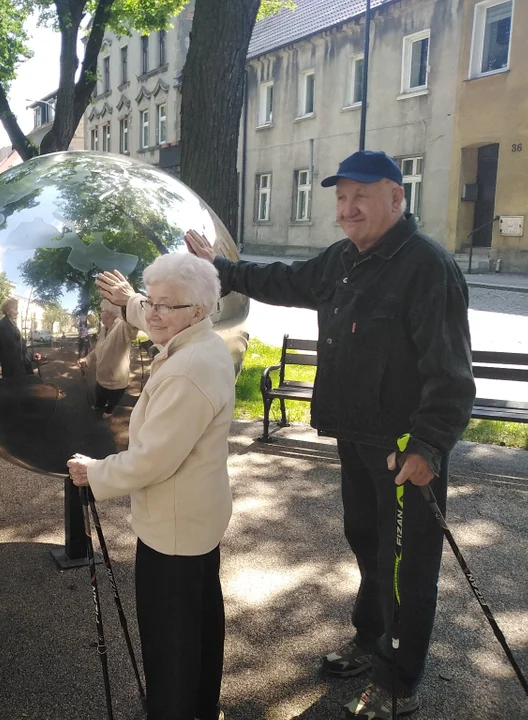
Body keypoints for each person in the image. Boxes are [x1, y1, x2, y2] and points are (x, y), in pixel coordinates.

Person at [179, 150, 476, 719]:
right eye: (341, 197)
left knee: (409, 563)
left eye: (362, 195)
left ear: (397, 198)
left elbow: (450, 370)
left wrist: (429, 446)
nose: (348, 207)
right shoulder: (344, 259)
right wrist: (220, 268)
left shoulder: (425, 266)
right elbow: (285, 279)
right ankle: (370, 640)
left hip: (403, 449)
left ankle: (399, 677)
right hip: (355, 434)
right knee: (368, 541)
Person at [69, 252, 235, 720]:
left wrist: (94, 472)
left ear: (197, 311)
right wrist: (130, 302)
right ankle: (201, 705)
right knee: (200, 622)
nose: (154, 312)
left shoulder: (188, 369)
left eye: (167, 306)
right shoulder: (202, 341)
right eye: (151, 302)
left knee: (171, 640)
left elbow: (153, 460)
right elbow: (152, 310)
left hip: (174, 528)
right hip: (196, 519)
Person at [78, 299, 137, 417]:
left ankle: (109, 411)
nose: (100, 313)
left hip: (116, 382)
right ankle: (100, 406)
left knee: (112, 403)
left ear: (111, 313)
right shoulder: (104, 329)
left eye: (102, 310)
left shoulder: (122, 326)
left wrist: (125, 300)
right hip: (100, 379)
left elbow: (133, 324)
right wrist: (87, 359)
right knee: (99, 401)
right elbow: (98, 350)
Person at [0, 298, 40, 378]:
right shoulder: (0, 325)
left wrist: (32, 356)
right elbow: (13, 350)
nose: (17, 312)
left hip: (23, 371)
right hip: (13, 375)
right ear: (7, 311)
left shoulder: (14, 325)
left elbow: (21, 349)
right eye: (15, 309)